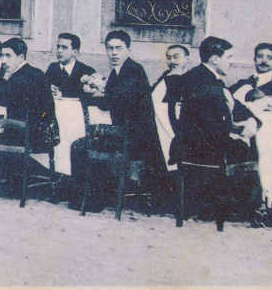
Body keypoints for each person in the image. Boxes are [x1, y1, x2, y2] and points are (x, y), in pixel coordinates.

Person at [70, 30, 167, 209]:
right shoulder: (118, 71)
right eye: (110, 48)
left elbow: (117, 100)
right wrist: (96, 93)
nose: (114, 53)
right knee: (87, 143)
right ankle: (93, 197)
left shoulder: (133, 70)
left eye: (118, 48)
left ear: (128, 50)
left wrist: (95, 93)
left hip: (137, 137)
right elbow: (109, 101)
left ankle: (92, 200)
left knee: (81, 146)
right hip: (125, 133)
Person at [172, 36, 264, 222]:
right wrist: (238, 132)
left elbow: (232, 104)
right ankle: (246, 208)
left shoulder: (208, 77)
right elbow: (209, 123)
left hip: (198, 140)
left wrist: (251, 119)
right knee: (250, 148)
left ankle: (235, 205)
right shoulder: (202, 81)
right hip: (198, 145)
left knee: (248, 142)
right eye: (229, 57)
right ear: (215, 59)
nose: (231, 62)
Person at [0, 37, 59, 153]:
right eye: (2, 56)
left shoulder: (25, 76)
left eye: (8, 56)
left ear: (21, 57)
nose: (3, 60)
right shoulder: (23, 72)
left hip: (31, 134)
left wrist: (3, 80)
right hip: (32, 131)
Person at [151, 44, 191, 170]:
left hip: (175, 127)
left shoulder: (191, 78)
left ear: (187, 59)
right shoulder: (166, 75)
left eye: (176, 57)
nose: (172, 61)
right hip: (157, 125)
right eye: (168, 58)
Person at [45, 33, 96, 98]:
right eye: (58, 47)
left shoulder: (86, 71)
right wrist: (49, 88)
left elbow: (89, 96)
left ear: (75, 52)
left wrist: (63, 94)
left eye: (64, 47)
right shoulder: (53, 67)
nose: (59, 51)